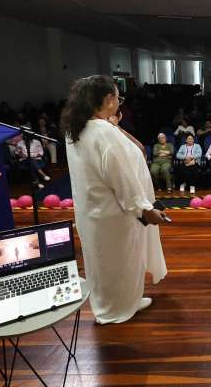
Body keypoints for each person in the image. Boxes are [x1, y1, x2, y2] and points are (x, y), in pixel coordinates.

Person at [61, 75, 167, 324]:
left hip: (92, 211)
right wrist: (144, 209)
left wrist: (115, 127)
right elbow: (122, 178)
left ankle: (107, 305)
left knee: (101, 263)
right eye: (119, 98)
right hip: (114, 212)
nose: (119, 103)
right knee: (122, 261)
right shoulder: (103, 132)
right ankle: (119, 309)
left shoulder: (76, 129)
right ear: (109, 100)